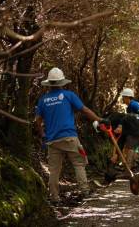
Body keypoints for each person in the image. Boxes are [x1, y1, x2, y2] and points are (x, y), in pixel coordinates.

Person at [35, 67, 102, 205]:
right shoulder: (68, 95)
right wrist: (99, 120)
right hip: (69, 137)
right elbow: (85, 110)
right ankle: (85, 191)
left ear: (50, 83)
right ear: (62, 82)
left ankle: (54, 197)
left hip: (52, 140)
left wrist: (42, 134)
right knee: (79, 163)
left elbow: (37, 120)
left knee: (54, 170)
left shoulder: (43, 100)